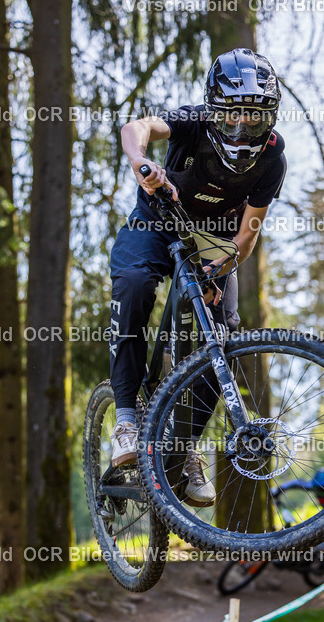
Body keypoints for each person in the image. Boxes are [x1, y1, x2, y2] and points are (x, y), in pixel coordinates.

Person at [109, 47, 287, 506]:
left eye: (254, 118)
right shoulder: (192, 122)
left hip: (213, 243)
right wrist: (142, 163)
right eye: (231, 116)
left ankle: (184, 448)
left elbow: (246, 238)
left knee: (218, 339)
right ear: (213, 111)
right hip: (155, 223)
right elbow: (135, 128)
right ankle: (126, 419)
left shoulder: (272, 160)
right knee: (134, 286)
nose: (242, 128)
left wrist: (218, 270)